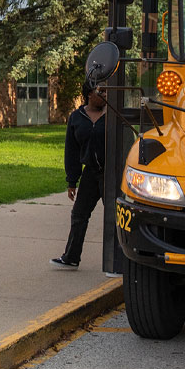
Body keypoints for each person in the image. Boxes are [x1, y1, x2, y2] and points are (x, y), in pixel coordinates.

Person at [49, 82, 107, 271]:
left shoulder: (113, 115)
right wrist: (71, 181)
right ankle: (71, 257)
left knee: (116, 218)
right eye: (101, 91)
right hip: (90, 173)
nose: (105, 95)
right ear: (89, 94)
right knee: (79, 215)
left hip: (111, 173)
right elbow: (71, 151)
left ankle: (119, 263)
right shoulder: (76, 117)